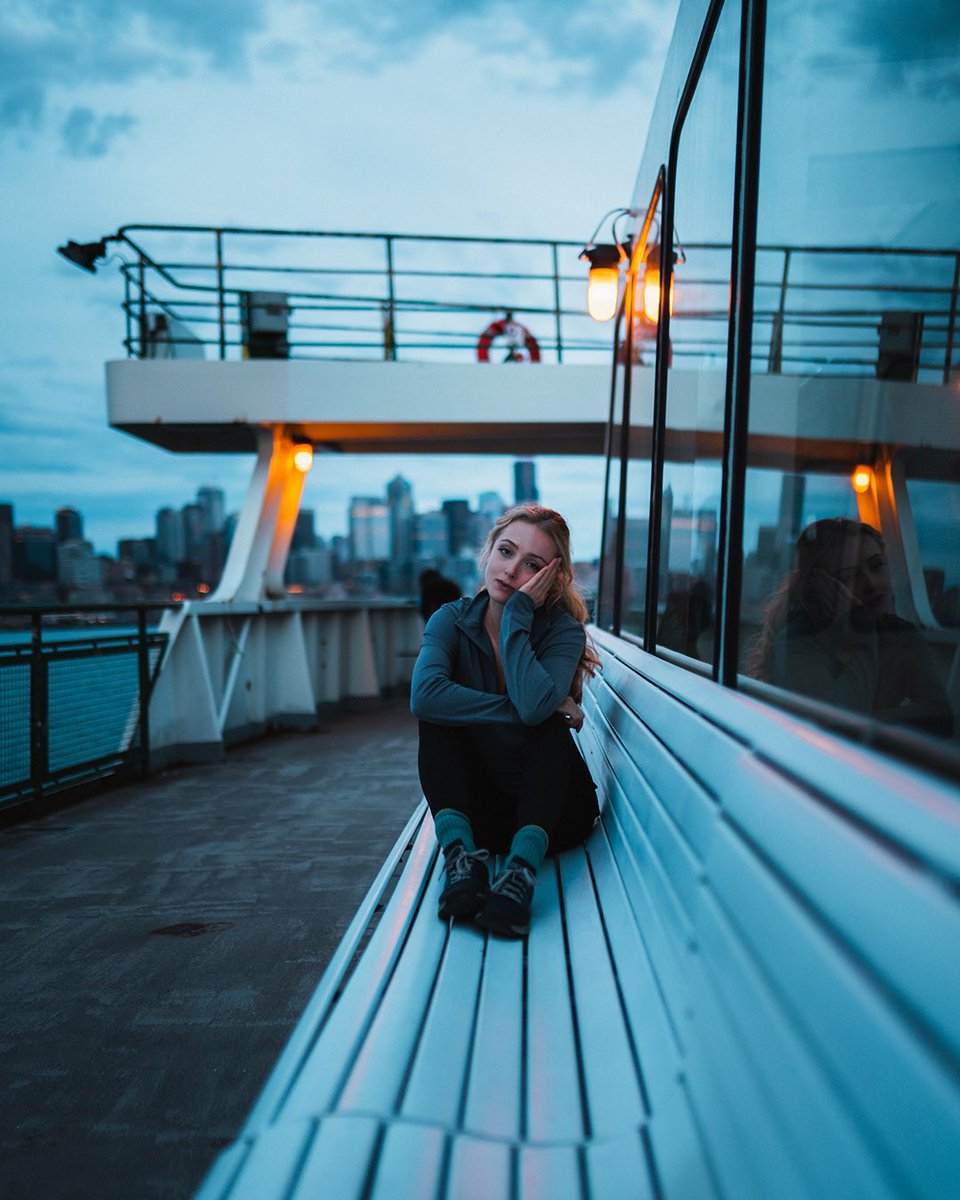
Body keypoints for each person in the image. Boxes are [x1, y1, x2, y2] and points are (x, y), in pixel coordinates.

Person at [410, 504, 600, 937]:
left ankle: (519, 876)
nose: (512, 570)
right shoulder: (451, 620)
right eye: (506, 551)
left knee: (546, 723)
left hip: (551, 816)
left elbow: (535, 709)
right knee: (438, 718)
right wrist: (533, 706)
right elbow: (423, 697)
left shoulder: (562, 632)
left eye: (531, 564)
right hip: (479, 813)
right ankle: (460, 857)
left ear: (551, 577)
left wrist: (518, 615)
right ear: (488, 552)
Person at [748, 517, 953, 737]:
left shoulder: (899, 634)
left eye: (876, 566)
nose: (872, 584)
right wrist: (859, 629)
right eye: (849, 576)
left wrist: (867, 724)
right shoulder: (797, 644)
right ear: (820, 588)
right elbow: (838, 736)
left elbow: (940, 716)